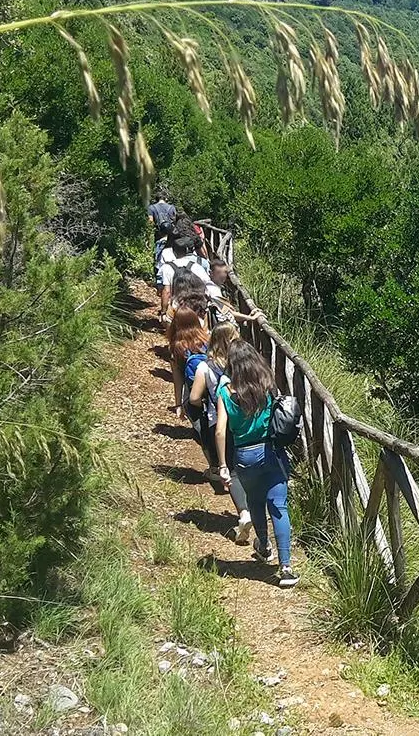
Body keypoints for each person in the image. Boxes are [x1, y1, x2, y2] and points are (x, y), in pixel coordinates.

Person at [215, 341, 297, 587]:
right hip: (271, 451)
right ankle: (285, 568)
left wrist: (222, 465)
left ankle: (264, 546)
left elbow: (220, 431)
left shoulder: (225, 392)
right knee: (279, 506)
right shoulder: (267, 385)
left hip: (244, 454)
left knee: (255, 502)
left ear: (231, 364)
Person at [189, 321, 252, 543]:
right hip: (246, 421)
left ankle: (244, 512)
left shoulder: (205, 367)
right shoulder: (243, 365)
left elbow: (194, 399)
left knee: (232, 470)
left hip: (220, 423)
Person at [159, 231, 209, 318]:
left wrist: (163, 312)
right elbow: (208, 286)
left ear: (174, 252)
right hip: (196, 308)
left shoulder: (166, 268)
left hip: (177, 308)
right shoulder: (197, 267)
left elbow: (166, 292)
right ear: (187, 251)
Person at [147, 197, 177, 285]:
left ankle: (159, 281)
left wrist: (149, 237)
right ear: (165, 199)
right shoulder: (171, 207)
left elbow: (150, 222)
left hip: (159, 235)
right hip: (171, 235)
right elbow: (174, 220)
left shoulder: (152, 208)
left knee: (158, 256)